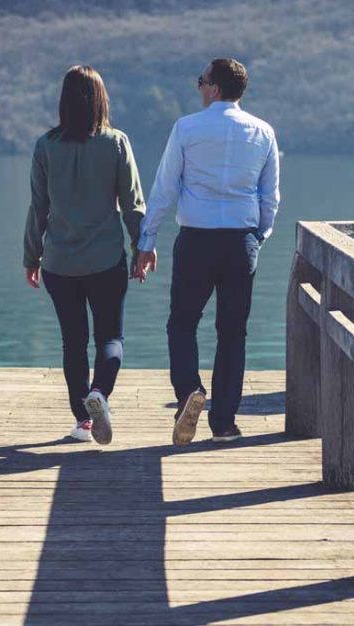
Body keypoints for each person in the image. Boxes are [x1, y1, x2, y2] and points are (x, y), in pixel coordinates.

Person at [136, 58, 279, 445]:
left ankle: (188, 394)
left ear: (214, 88)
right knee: (233, 333)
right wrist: (258, 237)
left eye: (201, 81)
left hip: (197, 238)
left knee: (182, 323)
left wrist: (146, 242)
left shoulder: (186, 128)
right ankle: (224, 424)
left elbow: (165, 188)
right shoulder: (263, 132)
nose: (198, 88)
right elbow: (270, 197)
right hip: (240, 241)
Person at [24, 65, 146, 445]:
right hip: (106, 259)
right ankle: (99, 394)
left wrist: (32, 257)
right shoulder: (116, 143)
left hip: (59, 262)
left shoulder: (45, 145)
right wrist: (141, 247)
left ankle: (83, 422)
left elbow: (38, 207)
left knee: (72, 342)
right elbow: (133, 205)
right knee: (110, 337)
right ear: (100, 100)